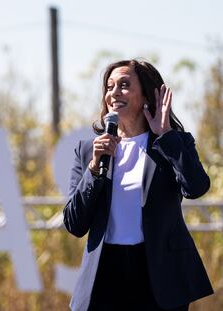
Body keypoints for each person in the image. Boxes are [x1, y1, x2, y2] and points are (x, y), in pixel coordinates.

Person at [63, 59, 213, 311]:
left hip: (158, 273)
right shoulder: (89, 149)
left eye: (124, 85)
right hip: (105, 273)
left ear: (146, 94)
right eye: (109, 87)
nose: (113, 93)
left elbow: (196, 187)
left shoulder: (172, 142)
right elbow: (74, 223)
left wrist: (166, 135)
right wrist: (93, 168)